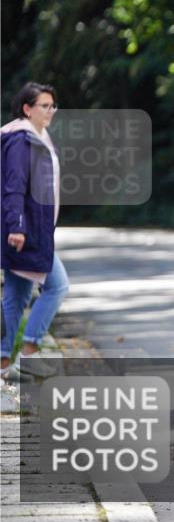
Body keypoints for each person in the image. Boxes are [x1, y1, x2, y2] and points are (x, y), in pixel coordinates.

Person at [1, 82, 69, 380]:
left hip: (33, 229)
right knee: (57, 285)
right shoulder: (21, 139)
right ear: (27, 109)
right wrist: (16, 226)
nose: (50, 111)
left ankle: (3, 362)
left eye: (53, 106)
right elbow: (13, 185)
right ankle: (29, 352)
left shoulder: (39, 137)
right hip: (25, 232)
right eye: (45, 106)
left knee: (16, 297)